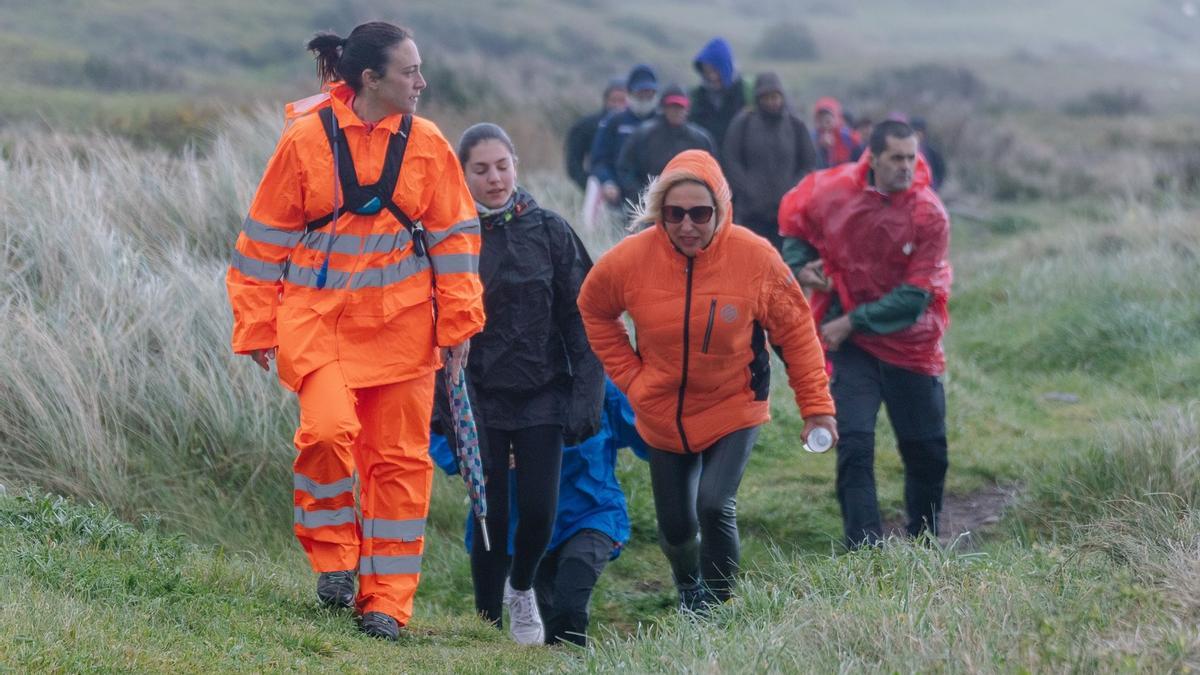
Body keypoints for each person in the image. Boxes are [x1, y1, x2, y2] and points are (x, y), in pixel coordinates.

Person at [225, 22, 485, 641]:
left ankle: (386, 606)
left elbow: (456, 240)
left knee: (398, 464)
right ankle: (336, 560)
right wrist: (257, 322)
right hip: (316, 326)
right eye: (410, 71)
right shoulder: (304, 140)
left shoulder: (429, 144)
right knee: (326, 433)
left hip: (403, 332)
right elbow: (263, 241)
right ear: (370, 79)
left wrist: (458, 323)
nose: (422, 82)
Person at [578, 149, 837, 610]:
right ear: (661, 213)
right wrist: (633, 380)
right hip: (661, 409)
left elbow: (797, 333)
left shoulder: (755, 258)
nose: (687, 225)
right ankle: (688, 591)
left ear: (720, 210)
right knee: (677, 528)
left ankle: (718, 609)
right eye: (675, 214)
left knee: (715, 505)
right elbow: (594, 309)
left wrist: (816, 408)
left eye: (700, 213)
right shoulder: (631, 260)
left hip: (733, 401)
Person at [451, 122, 605, 644]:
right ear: (463, 174)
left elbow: (584, 317)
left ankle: (521, 590)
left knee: (539, 511)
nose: (494, 178)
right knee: (488, 512)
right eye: (481, 169)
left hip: (543, 391)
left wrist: (588, 392)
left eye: (502, 166)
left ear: (516, 165)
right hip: (479, 394)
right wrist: (444, 406)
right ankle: (485, 624)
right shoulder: (453, 238)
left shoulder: (553, 231)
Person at [778, 120, 953, 550]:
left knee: (926, 451)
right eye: (896, 157)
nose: (906, 167)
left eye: (912, 157)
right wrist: (801, 265)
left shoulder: (929, 213)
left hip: (911, 345)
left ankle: (924, 539)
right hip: (855, 349)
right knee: (853, 442)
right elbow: (796, 229)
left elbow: (915, 298)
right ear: (872, 159)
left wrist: (849, 322)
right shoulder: (834, 191)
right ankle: (864, 549)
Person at [430, 378, 648, 647]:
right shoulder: (490, 376)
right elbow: (440, 428)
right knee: (545, 624)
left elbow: (648, 434)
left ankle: (569, 661)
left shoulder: (599, 386)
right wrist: (484, 457)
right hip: (521, 531)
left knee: (569, 605)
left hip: (590, 513)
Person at [721, 72, 817, 250]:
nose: (772, 102)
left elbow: (809, 164)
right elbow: (730, 160)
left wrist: (793, 190)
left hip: (787, 216)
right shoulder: (743, 124)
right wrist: (748, 188)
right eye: (766, 97)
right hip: (752, 214)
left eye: (775, 97)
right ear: (758, 99)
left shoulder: (796, 126)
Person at [615, 84, 715, 207]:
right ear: (663, 108)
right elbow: (625, 168)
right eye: (672, 107)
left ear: (687, 109)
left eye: (681, 107)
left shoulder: (700, 140)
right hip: (649, 205)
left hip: (689, 205)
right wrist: (639, 196)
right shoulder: (643, 135)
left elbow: (712, 174)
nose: (676, 111)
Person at [590, 64, 660, 209]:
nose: (645, 98)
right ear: (630, 93)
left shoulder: (662, 123)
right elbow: (599, 160)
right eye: (640, 93)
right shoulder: (614, 122)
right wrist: (608, 182)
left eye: (649, 93)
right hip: (619, 197)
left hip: (657, 199)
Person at [689, 37, 753, 153]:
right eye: (707, 72)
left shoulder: (747, 93)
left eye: (715, 70)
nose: (711, 77)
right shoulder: (697, 97)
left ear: (726, 68)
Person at [564, 78, 628, 191]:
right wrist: (588, 184)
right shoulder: (585, 126)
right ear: (606, 101)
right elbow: (573, 163)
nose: (618, 106)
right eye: (614, 100)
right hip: (598, 186)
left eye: (622, 101)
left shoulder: (638, 127)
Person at [811, 96, 861, 168]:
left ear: (836, 118)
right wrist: (822, 148)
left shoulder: (848, 137)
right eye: (820, 119)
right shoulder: (813, 139)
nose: (824, 124)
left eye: (828, 119)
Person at [910, 116, 947, 191]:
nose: (916, 136)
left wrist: (936, 185)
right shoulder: (904, 150)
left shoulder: (931, 152)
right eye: (914, 132)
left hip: (929, 188)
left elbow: (940, 170)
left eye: (919, 132)